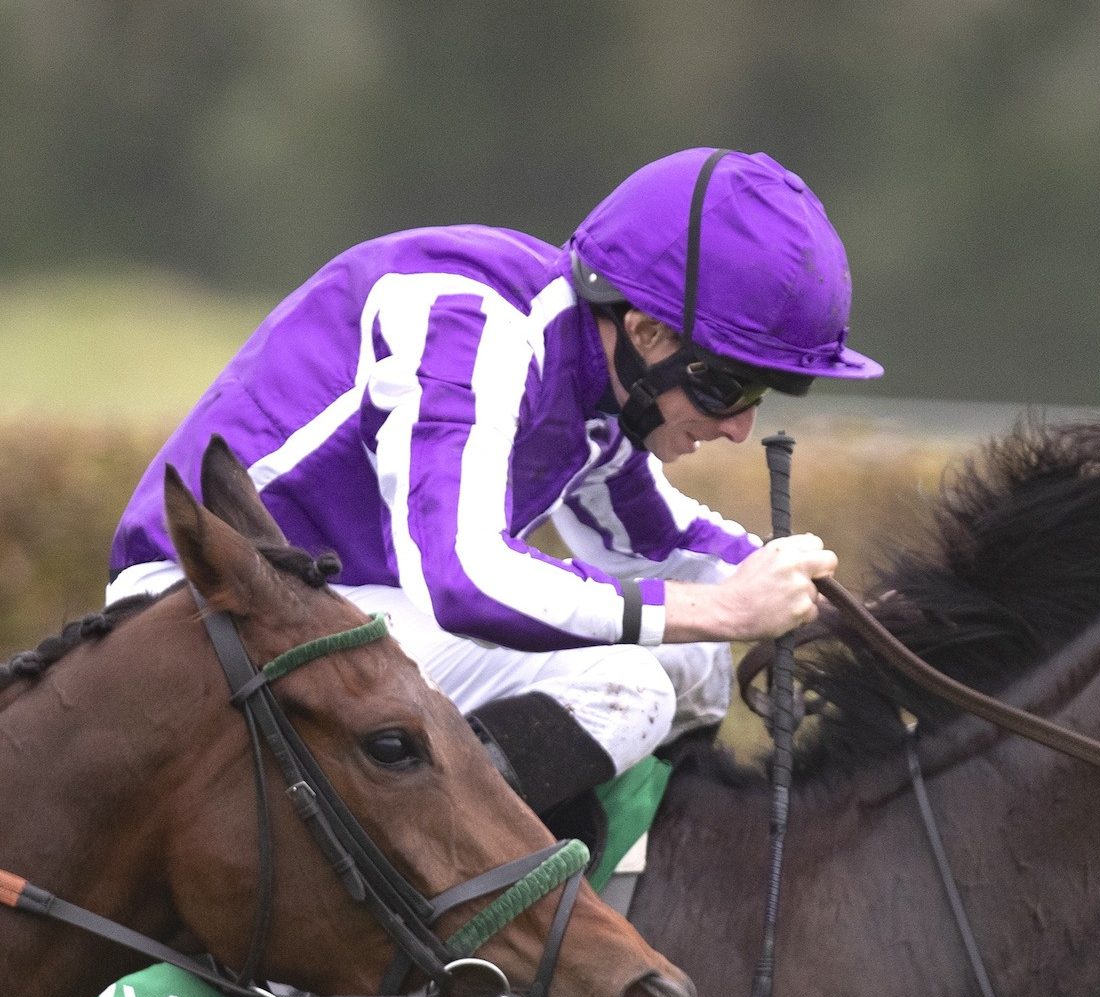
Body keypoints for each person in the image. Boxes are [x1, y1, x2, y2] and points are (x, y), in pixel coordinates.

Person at [106, 147, 881, 858]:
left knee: (690, 659)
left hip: (324, 614)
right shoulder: (470, 323)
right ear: (644, 331)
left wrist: (855, 619)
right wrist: (724, 611)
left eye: (765, 393)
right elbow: (464, 577)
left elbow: (666, 547)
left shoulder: (595, 378)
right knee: (627, 686)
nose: (741, 425)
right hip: (200, 617)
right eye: (725, 385)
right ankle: (407, 913)